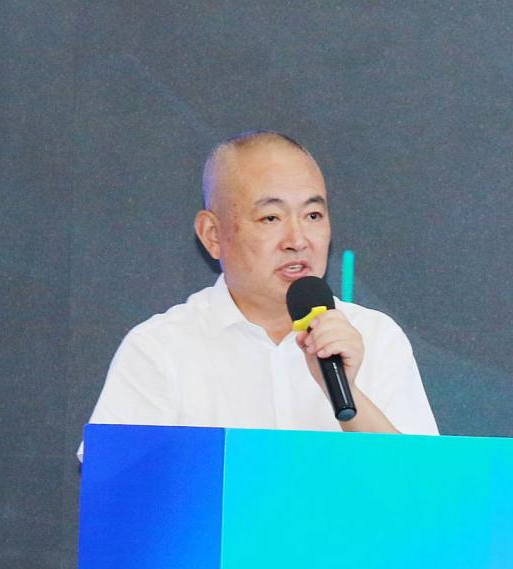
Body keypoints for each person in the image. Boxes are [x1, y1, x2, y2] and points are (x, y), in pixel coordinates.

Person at [80, 131, 437, 459]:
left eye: (313, 215)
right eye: (270, 218)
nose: (298, 240)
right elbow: (117, 491)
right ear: (212, 235)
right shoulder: (159, 349)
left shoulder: (375, 337)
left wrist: (348, 394)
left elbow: (426, 491)